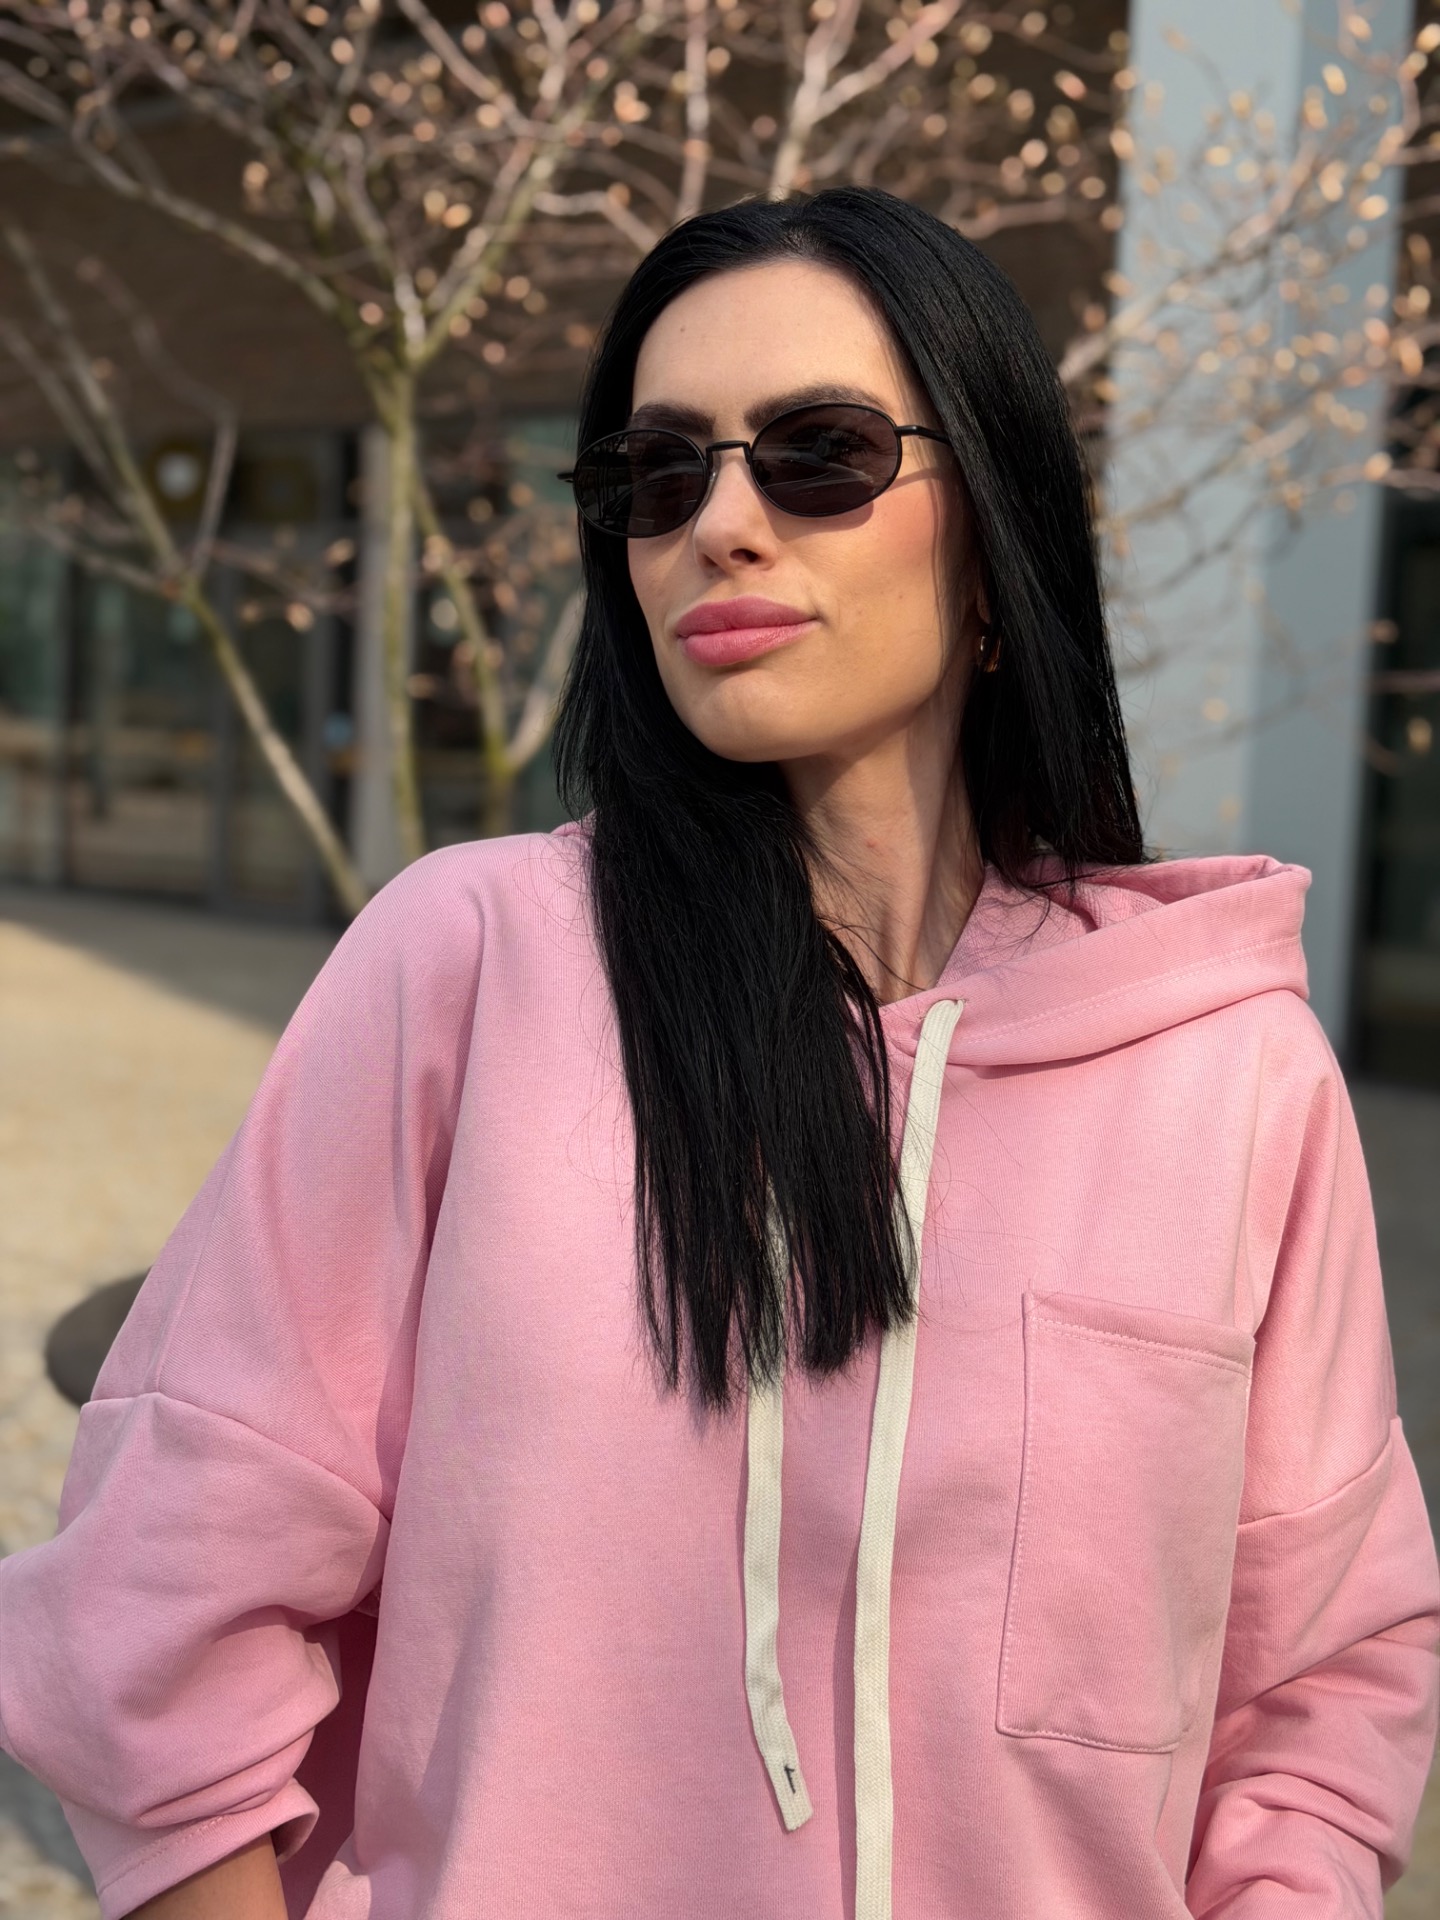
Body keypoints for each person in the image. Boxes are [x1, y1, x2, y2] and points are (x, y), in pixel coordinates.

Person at [0, 186, 1436, 1920]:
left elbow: (1319, 1691)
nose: (722, 526)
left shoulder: (1229, 1071)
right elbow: (155, 1611)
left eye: (820, 456)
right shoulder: (466, 970)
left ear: (996, 547)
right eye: (659, 475)